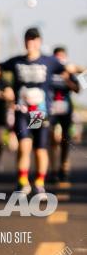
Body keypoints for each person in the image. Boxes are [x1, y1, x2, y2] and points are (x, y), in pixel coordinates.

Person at [0, 28, 82, 197]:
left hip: (38, 112)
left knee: (39, 149)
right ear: (25, 42)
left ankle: (39, 183)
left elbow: (73, 69)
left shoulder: (49, 62)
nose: (31, 43)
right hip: (22, 110)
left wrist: (80, 73)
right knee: (24, 146)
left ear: (39, 42)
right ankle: (23, 182)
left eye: (34, 40)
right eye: (28, 40)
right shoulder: (17, 61)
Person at [49, 46, 79, 184]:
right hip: (50, 109)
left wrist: (67, 78)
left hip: (66, 110)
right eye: (57, 57)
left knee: (65, 140)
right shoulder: (48, 70)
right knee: (51, 139)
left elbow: (78, 88)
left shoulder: (70, 72)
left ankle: (64, 167)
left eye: (62, 57)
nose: (60, 59)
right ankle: (53, 169)